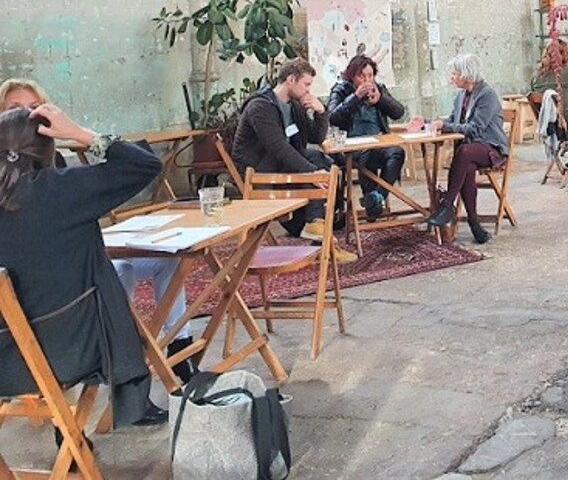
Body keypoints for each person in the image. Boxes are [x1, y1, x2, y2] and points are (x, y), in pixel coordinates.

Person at [0, 79, 197, 404]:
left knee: (124, 269)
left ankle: (69, 427)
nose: (29, 117)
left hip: (8, 357)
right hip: (73, 348)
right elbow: (145, 164)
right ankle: (129, 396)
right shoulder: (58, 188)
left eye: (34, 109)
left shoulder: (49, 184)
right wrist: (79, 133)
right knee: (114, 281)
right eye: (17, 110)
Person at [231, 58, 356, 262]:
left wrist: (321, 112)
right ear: (291, 79)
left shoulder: (295, 106)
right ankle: (319, 233)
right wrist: (311, 172)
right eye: (306, 84)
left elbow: (315, 138)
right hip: (258, 170)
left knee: (323, 161)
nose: (308, 90)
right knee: (316, 166)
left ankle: (318, 229)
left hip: (281, 165)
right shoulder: (260, 106)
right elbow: (278, 147)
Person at [426, 54, 506, 244]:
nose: (452, 78)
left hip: (491, 147)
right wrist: (431, 123)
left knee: (464, 152)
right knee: (467, 166)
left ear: (466, 74)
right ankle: (475, 225)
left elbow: (475, 129)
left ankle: (447, 204)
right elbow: (453, 121)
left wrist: (447, 126)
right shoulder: (461, 95)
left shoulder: (487, 95)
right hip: (470, 151)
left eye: (455, 73)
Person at [327, 54, 408, 221]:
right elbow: (333, 117)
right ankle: (373, 200)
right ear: (352, 76)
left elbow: (399, 112)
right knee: (368, 153)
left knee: (397, 152)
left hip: (379, 142)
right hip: (350, 147)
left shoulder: (379, 88)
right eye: (362, 76)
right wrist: (355, 97)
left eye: (370, 75)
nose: (367, 80)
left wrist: (381, 100)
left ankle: (376, 198)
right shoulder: (341, 90)